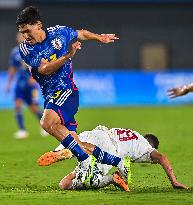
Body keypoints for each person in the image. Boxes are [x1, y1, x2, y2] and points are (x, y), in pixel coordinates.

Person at [16, 6, 130, 181]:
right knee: (76, 144)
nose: (25, 35)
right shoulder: (25, 48)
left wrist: (99, 37)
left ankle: (85, 163)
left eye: (27, 30)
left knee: (46, 123)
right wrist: (68, 55)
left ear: (38, 25)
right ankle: (119, 162)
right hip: (51, 96)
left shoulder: (59, 33)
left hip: (66, 91)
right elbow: (44, 69)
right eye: (22, 32)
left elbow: (81, 33)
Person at [38, 125, 188, 191]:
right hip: (109, 149)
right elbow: (162, 157)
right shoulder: (146, 148)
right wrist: (174, 182)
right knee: (91, 180)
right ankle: (111, 179)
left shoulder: (131, 133)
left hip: (97, 133)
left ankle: (65, 152)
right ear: (152, 145)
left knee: (64, 183)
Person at [5, 32, 48, 139]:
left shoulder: (33, 49)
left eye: (22, 35)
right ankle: (22, 130)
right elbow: (12, 68)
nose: (20, 37)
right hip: (20, 84)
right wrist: (9, 84)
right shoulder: (15, 52)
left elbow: (41, 65)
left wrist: (35, 78)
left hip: (31, 85)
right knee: (17, 106)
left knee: (34, 108)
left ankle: (45, 127)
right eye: (19, 35)